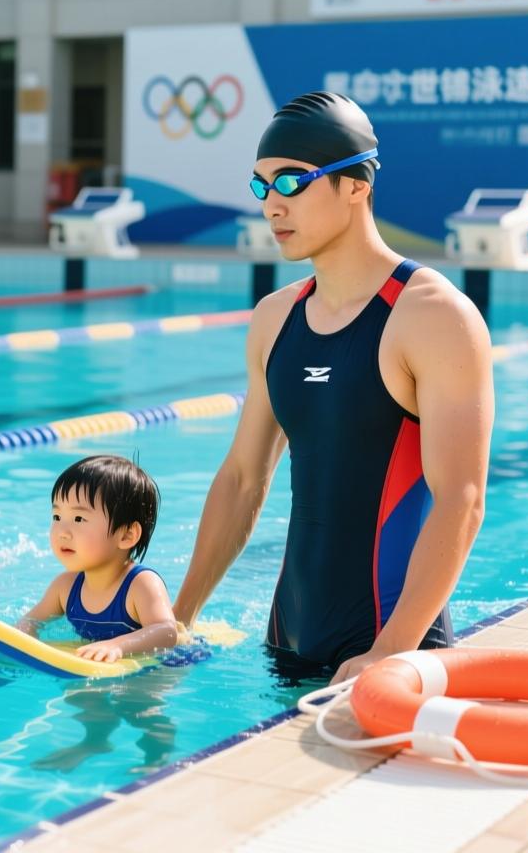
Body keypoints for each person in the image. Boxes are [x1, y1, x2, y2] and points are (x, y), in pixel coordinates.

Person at [171, 91, 494, 685]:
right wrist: (178, 617)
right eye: (261, 186)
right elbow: (244, 478)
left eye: (291, 183)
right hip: (288, 635)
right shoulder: (275, 318)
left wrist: (390, 653)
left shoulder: (433, 315)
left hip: (396, 649)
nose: (272, 205)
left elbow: (462, 500)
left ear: (356, 185)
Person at [17, 455, 179, 663]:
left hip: (159, 666)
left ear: (126, 535)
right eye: (57, 517)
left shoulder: (140, 585)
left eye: (78, 519)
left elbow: (166, 632)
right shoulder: (65, 587)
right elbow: (31, 621)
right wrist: (22, 635)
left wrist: (117, 646)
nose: (62, 532)